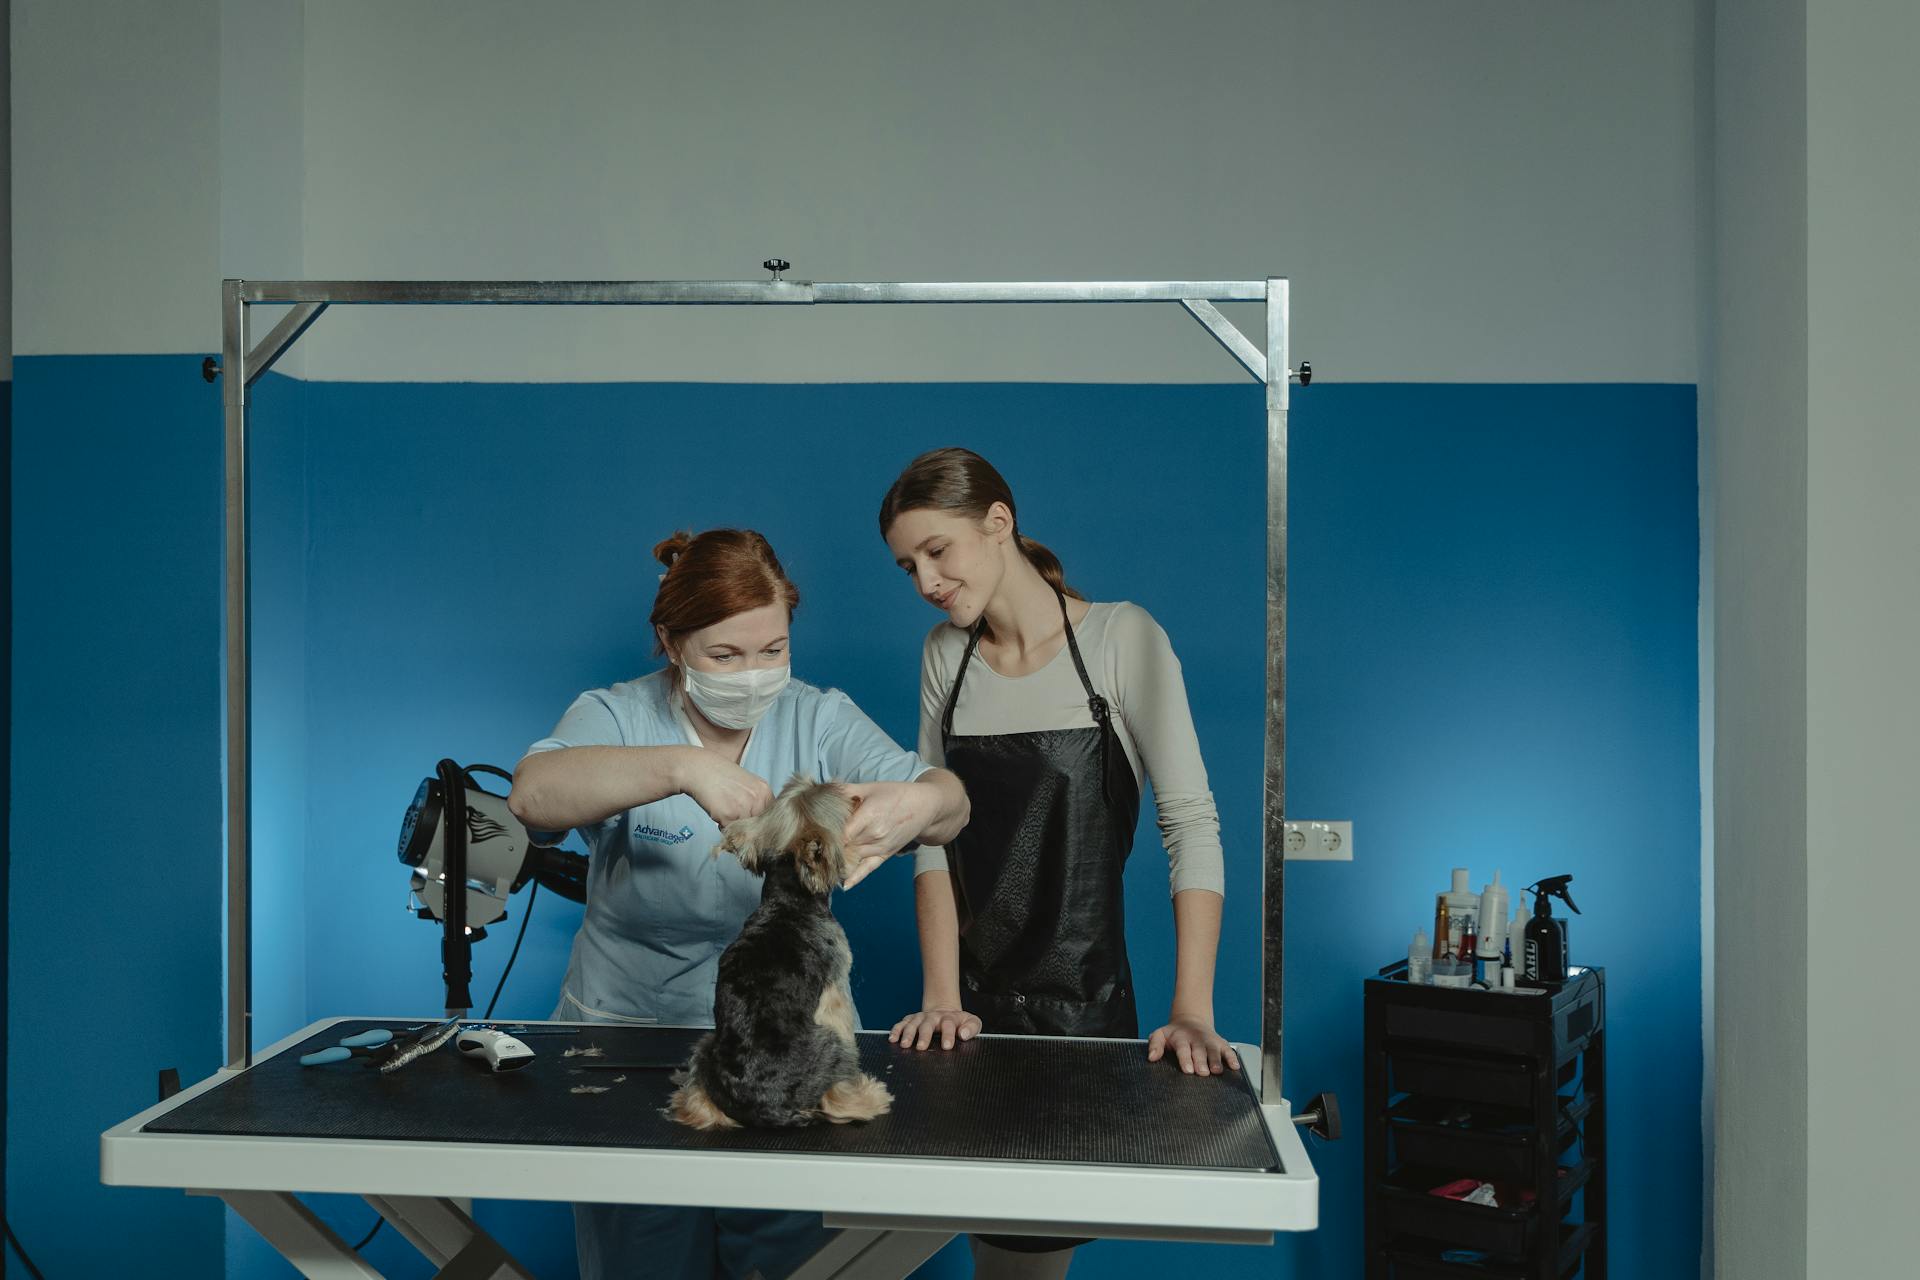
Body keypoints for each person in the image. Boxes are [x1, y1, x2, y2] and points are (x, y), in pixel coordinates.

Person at [507, 527, 970, 1280]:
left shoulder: (818, 718)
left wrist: (919, 804)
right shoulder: (618, 715)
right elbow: (534, 794)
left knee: (794, 1264)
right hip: (630, 1052)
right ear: (670, 641)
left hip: (790, 1053)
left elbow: (951, 804)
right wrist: (681, 768)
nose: (754, 675)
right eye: (725, 656)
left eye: (773, 651)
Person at [877, 447, 1236, 1279]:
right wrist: (939, 999)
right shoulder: (945, 654)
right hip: (969, 1019)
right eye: (907, 566)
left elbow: (1192, 823)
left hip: (1085, 1021)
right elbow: (930, 840)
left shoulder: (1121, 637)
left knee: (1029, 1266)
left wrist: (1191, 1008)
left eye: (938, 551)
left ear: (998, 524)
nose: (925, 581)